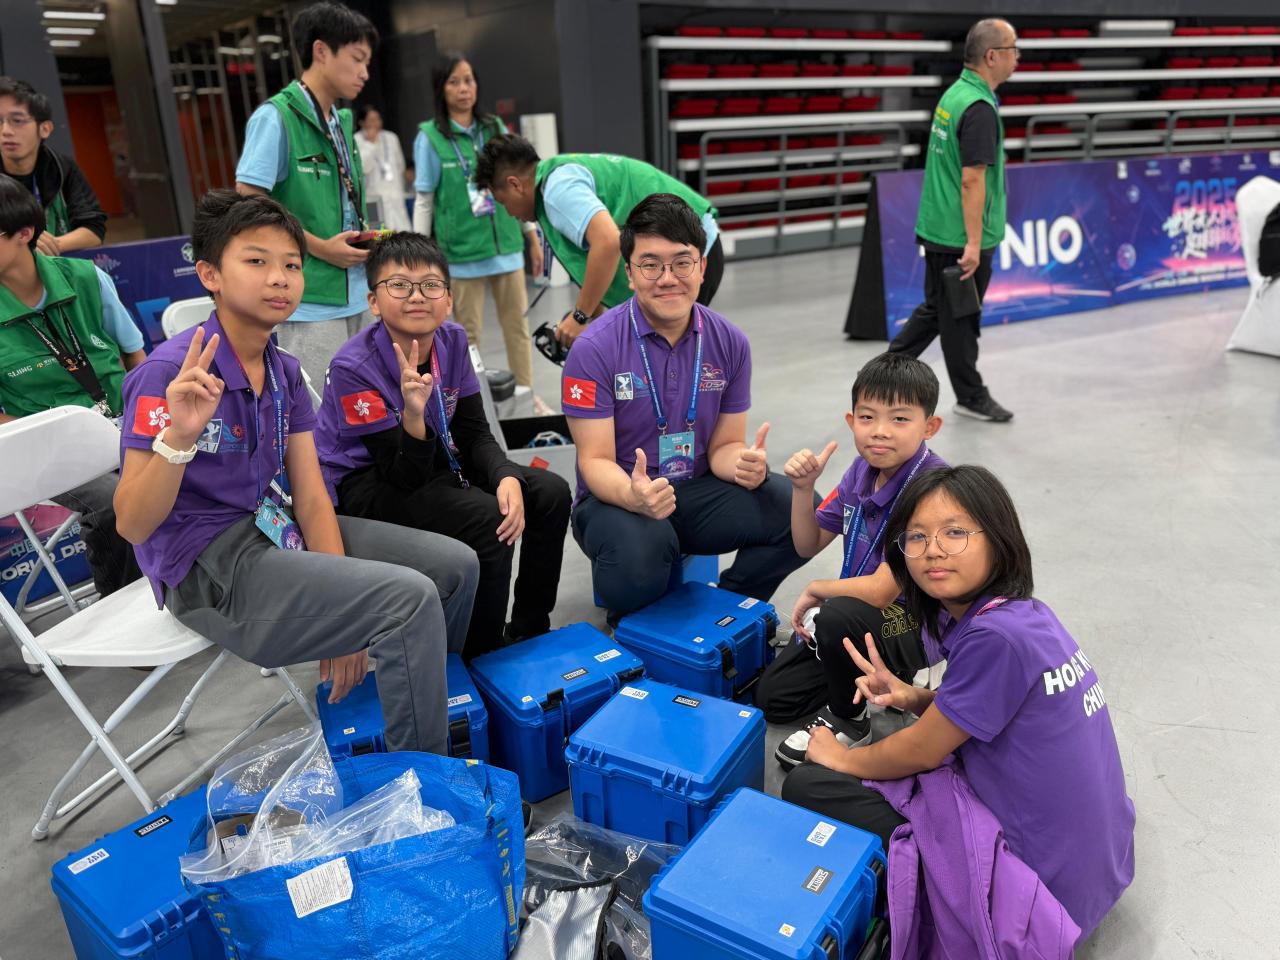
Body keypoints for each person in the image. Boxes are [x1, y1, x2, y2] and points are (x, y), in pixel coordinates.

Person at [113, 191, 479, 755]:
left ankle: (417, 713)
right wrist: (179, 438)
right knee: (406, 599)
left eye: (291, 264)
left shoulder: (283, 370)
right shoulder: (168, 374)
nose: (279, 278)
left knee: (455, 566)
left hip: (275, 529)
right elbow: (133, 525)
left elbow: (309, 496)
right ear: (210, 274)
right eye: (256, 261)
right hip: (209, 569)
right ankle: (419, 780)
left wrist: (347, 607)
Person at [781, 465, 1135, 941]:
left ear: (999, 539)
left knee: (810, 783)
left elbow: (921, 751)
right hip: (1096, 869)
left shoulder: (994, 639)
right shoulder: (1027, 616)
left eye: (954, 532)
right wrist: (912, 696)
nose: (933, 550)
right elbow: (988, 713)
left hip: (1039, 889)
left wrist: (839, 758)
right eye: (917, 536)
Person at [315, 232, 571, 657]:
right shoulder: (352, 368)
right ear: (373, 301)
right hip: (367, 483)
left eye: (431, 285)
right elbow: (401, 474)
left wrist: (505, 475)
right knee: (489, 517)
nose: (417, 296)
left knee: (548, 492)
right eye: (399, 285)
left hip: (436, 459)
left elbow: (473, 432)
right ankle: (482, 651)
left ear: (449, 299)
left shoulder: (452, 341)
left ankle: (529, 629)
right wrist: (414, 416)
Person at [563, 193, 807, 617]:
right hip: (615, 498)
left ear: (702, 267)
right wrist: (633, 496)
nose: (667, 278)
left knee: (800, 511)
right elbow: (595, 461)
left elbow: (724, 446)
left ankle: (727, 607)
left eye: (681, 262)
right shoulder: (594, 348)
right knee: (641, 551)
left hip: (694, 491)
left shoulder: (730, 342)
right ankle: (637, 627)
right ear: (629, 273)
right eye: (650, 265)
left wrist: (742, 464)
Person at [760, 352, 948, 769]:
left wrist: (817, 590)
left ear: (929, 427)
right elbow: (808, 544)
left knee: (836, 613)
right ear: (851, 421)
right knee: (775, 699)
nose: (880, 431)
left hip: (914, 621)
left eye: (900, 419)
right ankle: (864, 673)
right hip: (859, 613)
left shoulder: (932, 489)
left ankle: (852, 717)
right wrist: (803, 489)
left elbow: (882, 592)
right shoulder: (860, 471)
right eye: (867, 417)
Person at [0, 175, 142, 597]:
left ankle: (194, 589)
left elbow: (136, 357)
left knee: (190, 468)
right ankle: (123, 610)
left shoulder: (87, 279)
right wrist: (45, 437)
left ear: (24, 233)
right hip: (45, 450)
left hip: (123, 425)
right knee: (114, 499)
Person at [234, 2, 378, 383]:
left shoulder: (341, 123)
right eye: (357, 59)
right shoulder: (276, 117)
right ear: (321, 51)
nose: (364, 73)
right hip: (308, 298)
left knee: (369, 403)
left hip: (358, 290)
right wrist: (319, 247)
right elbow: (249, 198)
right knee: (319, 410)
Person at [888, 18, 1018, 423]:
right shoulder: (977, 107)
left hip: (940, 228)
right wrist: (974, 244)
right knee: (959, 318)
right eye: (1013, 49)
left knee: (939, 311)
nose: (1017, 57)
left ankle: (881, 375)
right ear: (992, 56)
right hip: (960, 236)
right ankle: (968, 395)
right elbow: (971, 180)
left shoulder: (955, 94)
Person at [474, 135, 721, 348]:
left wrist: (580, 316)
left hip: (688, 251)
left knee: (668, 358)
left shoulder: (557, 190)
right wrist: (591, 316)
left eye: (503, 202)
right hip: (681, 250)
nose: (509, 212)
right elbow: (598, 253)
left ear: (515, 184)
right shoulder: (557, 174)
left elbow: (608, 242)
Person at [413, 55, 542, 390]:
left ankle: (526, 396)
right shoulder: (430, 137)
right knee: (467, 338)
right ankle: (477, 403)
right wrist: (417, 254)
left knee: (518, 329)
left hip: (506, 249)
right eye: (454, 81)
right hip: (462, 255)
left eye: (468, 80)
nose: (463, 89)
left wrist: (531, 234)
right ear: (441, 89)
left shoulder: (494, 127)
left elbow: (520, 183)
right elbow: (424, 199)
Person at [0, 77, 105, 255]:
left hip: (54, 265)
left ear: (45, 129)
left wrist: (47, 245)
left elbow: (94, 230)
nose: (5, 131)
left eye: (17, 121)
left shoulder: (62, 169)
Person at [355, 105, 411, 231]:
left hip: (394, 193)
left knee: (402, 233)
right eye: (371, 120)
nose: (375, 123)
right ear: (362, 122)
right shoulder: (357, 140)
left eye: (378, 119)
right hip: (372, 197)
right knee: (378, 235)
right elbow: (362, 168)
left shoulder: (391, 137)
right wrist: (370, 144)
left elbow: (400, 165)